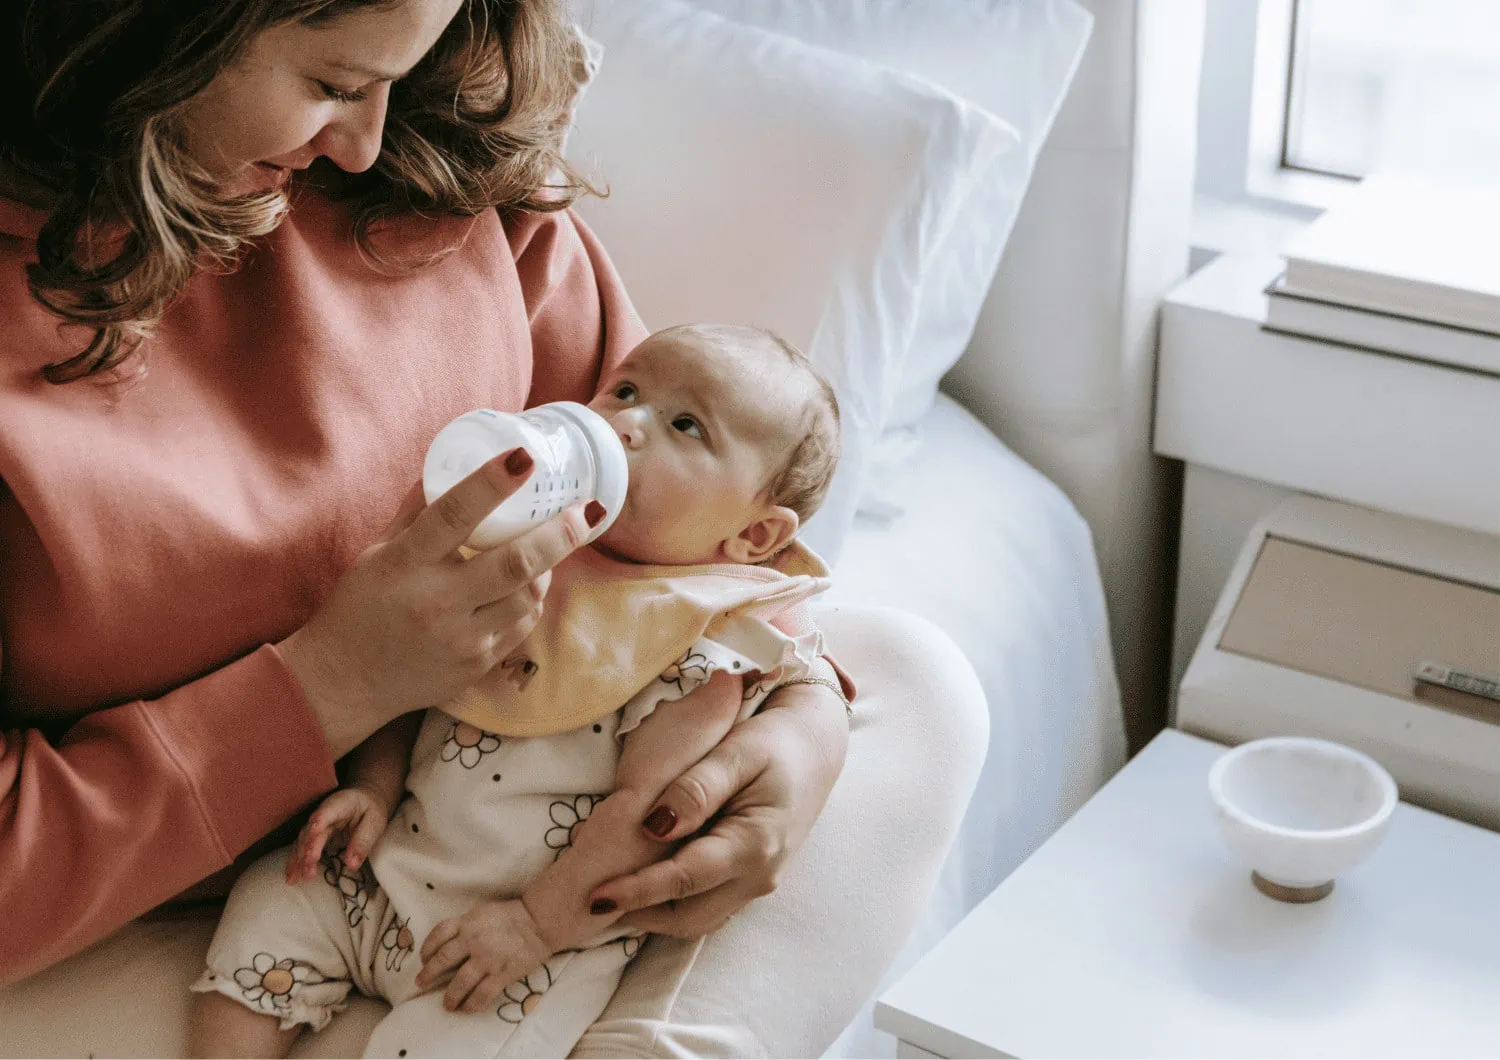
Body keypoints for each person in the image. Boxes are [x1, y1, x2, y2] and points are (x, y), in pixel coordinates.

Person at [0, 0, 988, 1055]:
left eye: (402, 70)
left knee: (908, 680)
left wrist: (795, 743)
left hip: (487, 871)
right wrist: (333, 685)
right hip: (130, 917)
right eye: (333, 83)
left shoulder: (430, 166)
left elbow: (685, 540)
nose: (368, 140)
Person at [190, 324, 845, 1058]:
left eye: (685, 425)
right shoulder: (514, 549)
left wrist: (537, 925)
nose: (623, 423)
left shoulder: (696, 645)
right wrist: (373, 788)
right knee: (271, 904)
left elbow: (644, 814)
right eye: (624, 391)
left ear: (754, 538)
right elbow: (408, 678)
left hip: (515, 945)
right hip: (380, 873)